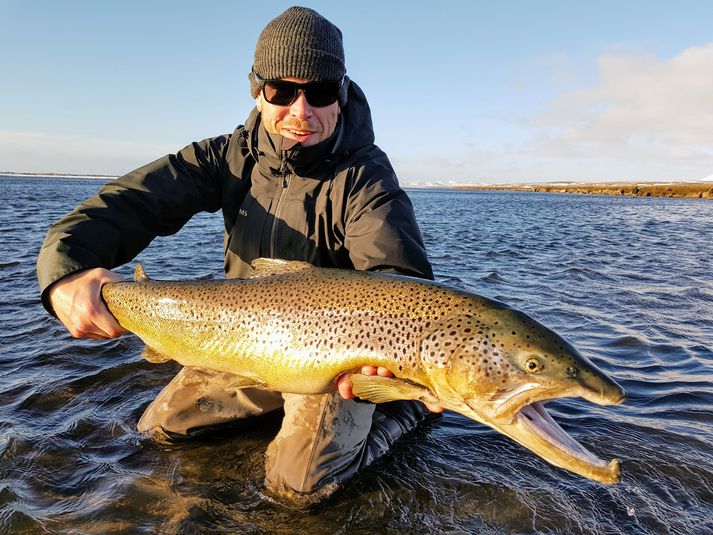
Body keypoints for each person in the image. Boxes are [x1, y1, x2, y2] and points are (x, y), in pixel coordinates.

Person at [37, 6, 440, 505]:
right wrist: (65, 274)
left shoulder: (367, 178)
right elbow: (127, 204)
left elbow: (401, 280)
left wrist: (392, 362)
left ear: (340, 93)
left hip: (336, 367)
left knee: (299, 488)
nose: (301, 111)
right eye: (282, 91)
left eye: (319, 92)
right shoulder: (227, 156)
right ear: (257, 90)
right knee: (163, 430)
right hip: (247, 344)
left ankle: (404, 410)